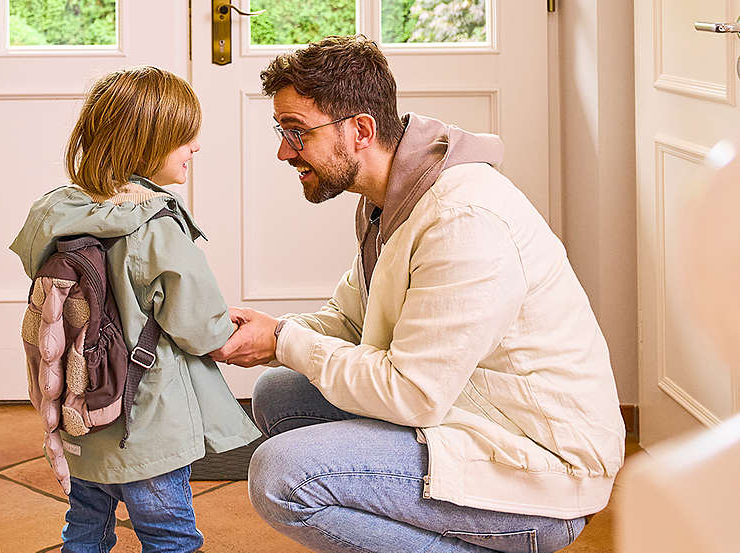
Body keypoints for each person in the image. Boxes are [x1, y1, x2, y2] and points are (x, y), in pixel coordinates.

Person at [210, 35, 625, 553]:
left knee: (282, 475)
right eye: (281, 131)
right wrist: (264, 334)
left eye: (297, 133)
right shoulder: (389, 198)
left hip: (541, 468)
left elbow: (412, 393)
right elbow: (351, 320)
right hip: (465, 413)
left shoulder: (463, 219)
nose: (282, 151)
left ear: (360, 130)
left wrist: (286, 341)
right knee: (280, 396)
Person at [10, 66, 261, 553]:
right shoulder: (155, 226)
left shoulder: (56, 215)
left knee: (84, 528)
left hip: (82, 408)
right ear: (144, 144)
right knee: (169, 536)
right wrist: (223, 326)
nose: (196, 147)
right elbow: (197, 327)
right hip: (146, 425)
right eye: (184, 137)